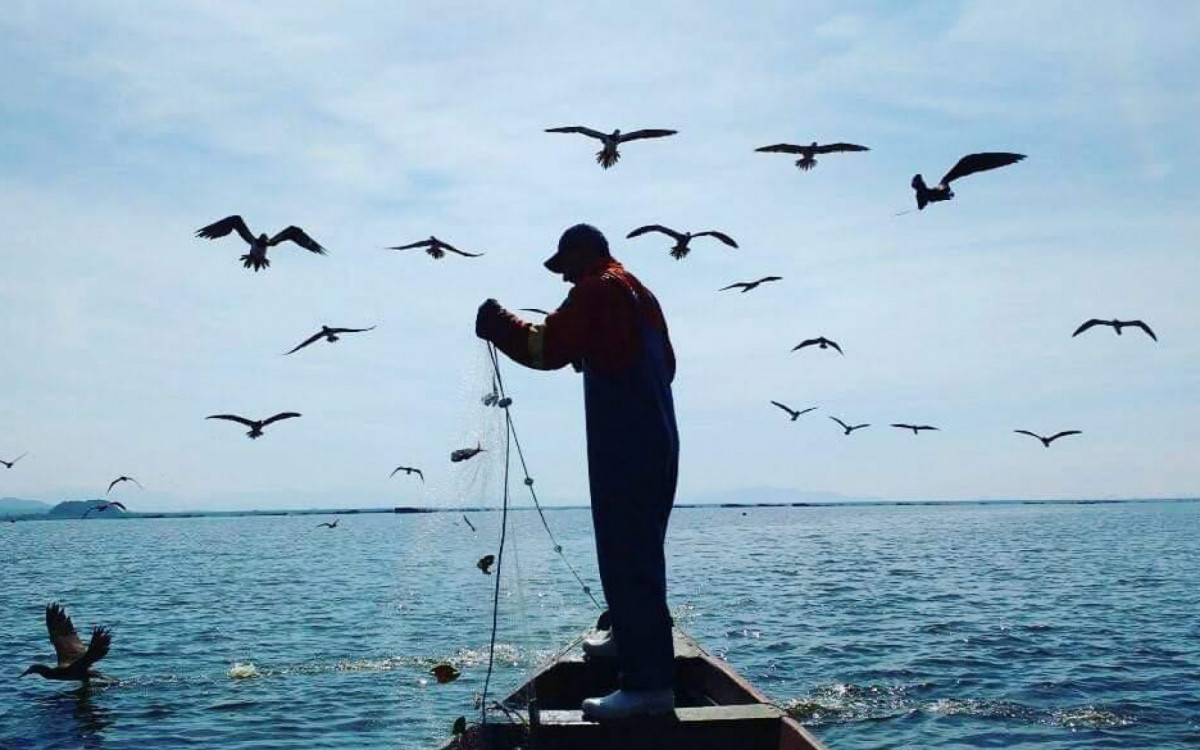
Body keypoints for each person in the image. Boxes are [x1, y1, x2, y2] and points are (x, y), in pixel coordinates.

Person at [475, 223, 679, 719]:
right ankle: (629, 636)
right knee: (639, 549)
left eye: (565, 267)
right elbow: (666, 366)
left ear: (584, 253)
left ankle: (647, 688)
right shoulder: (642, 295)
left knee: (626, 552)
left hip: (624, 443)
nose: (564, 279)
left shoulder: (597, 289)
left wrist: (497, 322)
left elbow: (544, 347)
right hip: (659, 439)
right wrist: (597, 350)